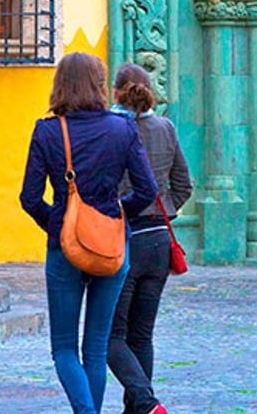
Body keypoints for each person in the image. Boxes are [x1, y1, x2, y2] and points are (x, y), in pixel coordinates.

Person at [20, 52, 158, 414]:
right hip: (112, 245)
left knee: (64, 348)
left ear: (60, 84)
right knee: (95, 346)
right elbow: (147, 191)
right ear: (100, 84)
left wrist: (61, 223)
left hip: (64, 249)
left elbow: (30, 198)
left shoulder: (48, 130)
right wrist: (112, 215)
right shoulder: (122, 128)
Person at [106, 63, 192, 414]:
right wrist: (164, 210)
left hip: (124, 239)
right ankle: (139, 410)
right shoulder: (166, 128)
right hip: (159, 240)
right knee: (141, 335)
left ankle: (146, 402)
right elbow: (184, 185)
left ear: (115, 92)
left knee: (111, 336)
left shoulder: (111, 131)